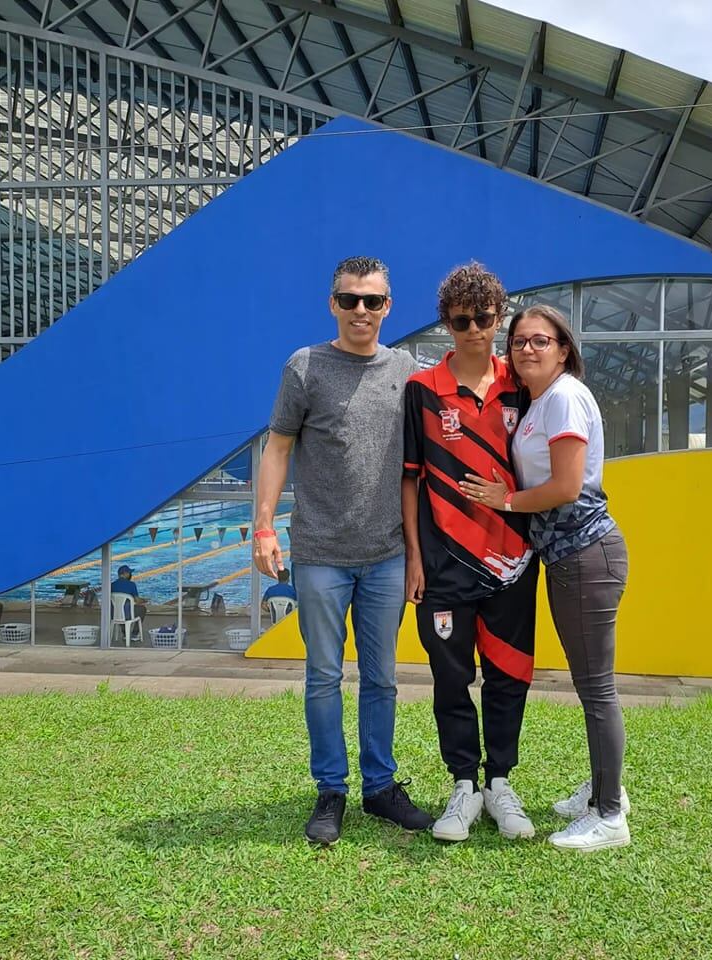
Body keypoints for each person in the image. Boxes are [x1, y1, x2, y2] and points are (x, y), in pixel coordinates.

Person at [253, 255, 432, 846]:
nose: (361, 310)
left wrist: (415, 551)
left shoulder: (407, 371)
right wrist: (263, 526)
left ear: (388, 306)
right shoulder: (305, 367)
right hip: (321, 553)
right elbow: (277, 448)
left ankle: (379, 787)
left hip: (384, 555)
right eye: (350, 299)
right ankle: (331, 788)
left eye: (372, 300)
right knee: (323, 676)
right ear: (333, 303)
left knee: (381, 678)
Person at [460, 303, 631, 852]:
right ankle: (607, 790)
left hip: (585, 555)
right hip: (566, 558)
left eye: (540, 340)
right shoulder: (539, 402)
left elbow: (565, 486)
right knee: (592, 687)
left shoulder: (564, 397)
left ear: (563, 349)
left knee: (597, 689)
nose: (527, 349)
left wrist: (503, 501)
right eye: (519, 342)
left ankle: (609, 816)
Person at [403, 264, 538, 843]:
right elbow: (410, 480)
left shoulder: (525, 385)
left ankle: (500, 783)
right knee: (451, 679)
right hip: (444, 567)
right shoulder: (422, 391)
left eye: (484, 318)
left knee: (509, 677)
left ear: (498, 316)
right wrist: (414, 556)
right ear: (446, 322)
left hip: (513, 564)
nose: (474, 330)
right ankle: (463, 784)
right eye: (461, 321)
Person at [111, 564, 147, 638]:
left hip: (114, 613)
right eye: (130, 573)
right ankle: (134, 634)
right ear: (125, 574)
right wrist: (144, 600)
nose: (131, 575)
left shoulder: (112, 585)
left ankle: (124, 633)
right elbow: (137, 601)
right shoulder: (131, 584)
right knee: (142, 609)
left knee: (121, 609)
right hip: (127, 614)